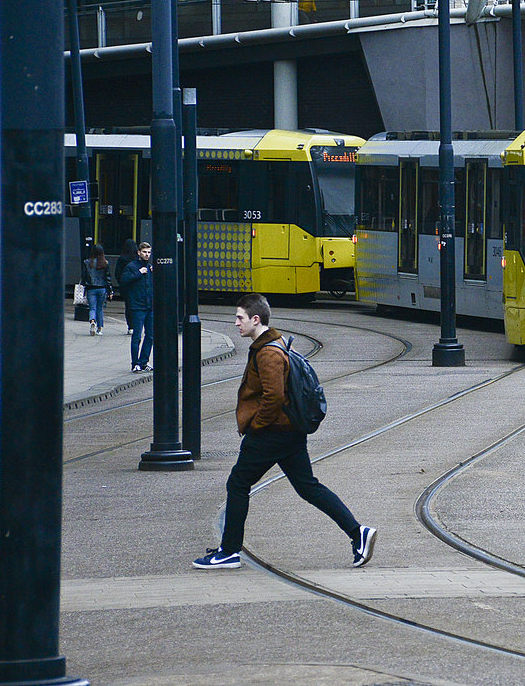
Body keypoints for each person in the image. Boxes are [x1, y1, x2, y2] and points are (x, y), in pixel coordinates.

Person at [193, 293, 376, 570]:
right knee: (307, 487)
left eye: (240, 318)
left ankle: (230, 551)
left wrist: (256, 425)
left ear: (256, 319)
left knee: (238, 483)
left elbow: (274, 397)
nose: (235, 323)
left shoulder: (268, 353)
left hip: (272, 433)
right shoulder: (272, 343)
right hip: (287, 433)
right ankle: (357, 532)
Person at [121, 242, 154, 373]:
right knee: (137, 336)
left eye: (149, 252)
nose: (147, 255)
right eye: (145, 252)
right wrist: (139, 273)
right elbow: (124, 281)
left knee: (150, 336)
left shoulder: (151, 267)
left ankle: (144, 362)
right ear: (139, 252)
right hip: (137, 307)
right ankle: (135, 363)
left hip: (149, 306)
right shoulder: (132, 266)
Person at [80, 244, 113, 336]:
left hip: (91, 288)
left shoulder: (87, 262)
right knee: (100, 309)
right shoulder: (105, 263)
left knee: (92, 308)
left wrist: (83, 287)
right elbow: (108, 278)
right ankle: (99, 329)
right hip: (102, 288)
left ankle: (92, 321)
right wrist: (110, 290)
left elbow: (84, 276)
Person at [115, 238, 138, 335]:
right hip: (136, 287)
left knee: (128, 306)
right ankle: (137, 325)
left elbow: (117, 274)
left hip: (126, 287)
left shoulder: (121, 259)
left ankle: (130, 326)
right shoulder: (137, 259)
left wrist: (122, 283)